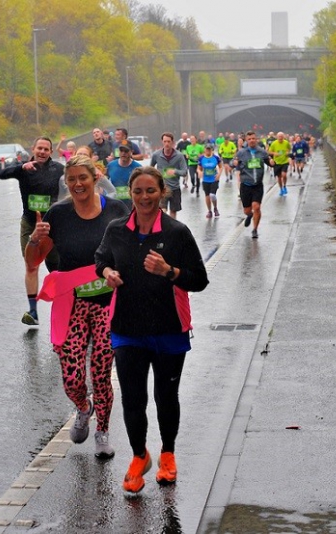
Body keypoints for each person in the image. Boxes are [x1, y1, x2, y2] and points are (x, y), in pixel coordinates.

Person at [95, 166, 210, 495]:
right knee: (133, 399)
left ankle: (168, 455)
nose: (144, 197)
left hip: (168, 328)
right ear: (130, 194)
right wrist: (107, 272)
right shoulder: (117, 230)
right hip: (127, 328)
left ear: (162, 193)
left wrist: (169, 270)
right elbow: (100, 258)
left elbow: (198, 279)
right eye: (138, 191)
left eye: (150, 191)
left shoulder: (176, 232)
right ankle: (139, 456)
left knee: (165, 396)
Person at [26, 155, 130, 458]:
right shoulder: (57, 214)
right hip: (72, 303)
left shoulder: (115, 210)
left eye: (82, 178)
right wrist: (35, 239)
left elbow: (131, 251)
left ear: (95, 177)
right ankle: (83, 407)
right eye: (71, 179)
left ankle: (102, 431)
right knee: (72, 377)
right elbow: (33, 261)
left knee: (100, 373)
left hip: (107, 304)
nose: (77, 184)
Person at [0, 136, 64, 325]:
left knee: (56, 269)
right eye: (40, 148)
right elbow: (2, 174)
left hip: (53, 226)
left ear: (51, 152)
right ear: (33, 149)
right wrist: (20, 168)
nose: (42, 152)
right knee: (31, 265)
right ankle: (33, 312)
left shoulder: (59, 169)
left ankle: (64, 306)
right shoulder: (25, 169)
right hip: (29, 223)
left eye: (46, 149)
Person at [233, 131, 274, 239]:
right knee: (247, 210)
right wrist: (235, 163)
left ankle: (255, 229)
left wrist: (272, 162)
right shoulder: (241, 152)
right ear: (246, 140)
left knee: (256, 207)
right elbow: (234, 161)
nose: (251, 140)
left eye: (253, 138)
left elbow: (268, 161)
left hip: (257, 185)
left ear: (256, 140)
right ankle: (249, 215)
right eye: (249, 139)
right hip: (245, 185)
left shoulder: (262, 152)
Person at [149, 132, 188, 219]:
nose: (166, 144)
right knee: (162, 210)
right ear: (162, 142)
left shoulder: (179, 156)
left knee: (173, 211)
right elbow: (150, 168)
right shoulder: (156, 155)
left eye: (168, 141)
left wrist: (175, 171)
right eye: (165, 141)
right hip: (162, 188)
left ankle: (171, 230)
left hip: (175, 188)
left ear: (172, 142)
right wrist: (155, 174)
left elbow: (184, 172)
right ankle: (163, 228)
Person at [105, 140, 141, 209]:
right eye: (121, 151)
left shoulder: (138, 168)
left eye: (126, 151)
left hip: (132, 207)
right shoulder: (111, 165)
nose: (123, 153)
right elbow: (104, 183)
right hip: (115, 207)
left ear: (131, 152)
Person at [198, 143, 223, 218]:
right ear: (204, 150)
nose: (208, 151)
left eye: (209, 149)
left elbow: (221, 167)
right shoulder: (201, 158)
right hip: (205, 179)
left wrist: (219, 174)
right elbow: (199, 168)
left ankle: (215, 208)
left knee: (212, 195)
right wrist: (200, 172)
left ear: (212, 150)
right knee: (207, 196)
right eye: (207, 149)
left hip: (214, 179)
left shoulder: (216, 157)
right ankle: (209, 211)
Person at [268, 132, 292, 196]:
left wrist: (287, 152)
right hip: (277, 162)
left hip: (284, 161)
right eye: (279, 136)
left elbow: (289, 149)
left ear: (283, 137)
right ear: (277, 137)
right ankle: (281, 189)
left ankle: (284, 186)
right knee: (279, 177)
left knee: (284, 175)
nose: (280, 138)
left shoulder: (286, 143)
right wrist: (274, 154)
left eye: (281, 136)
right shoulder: (274, 143)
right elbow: (269, 152)